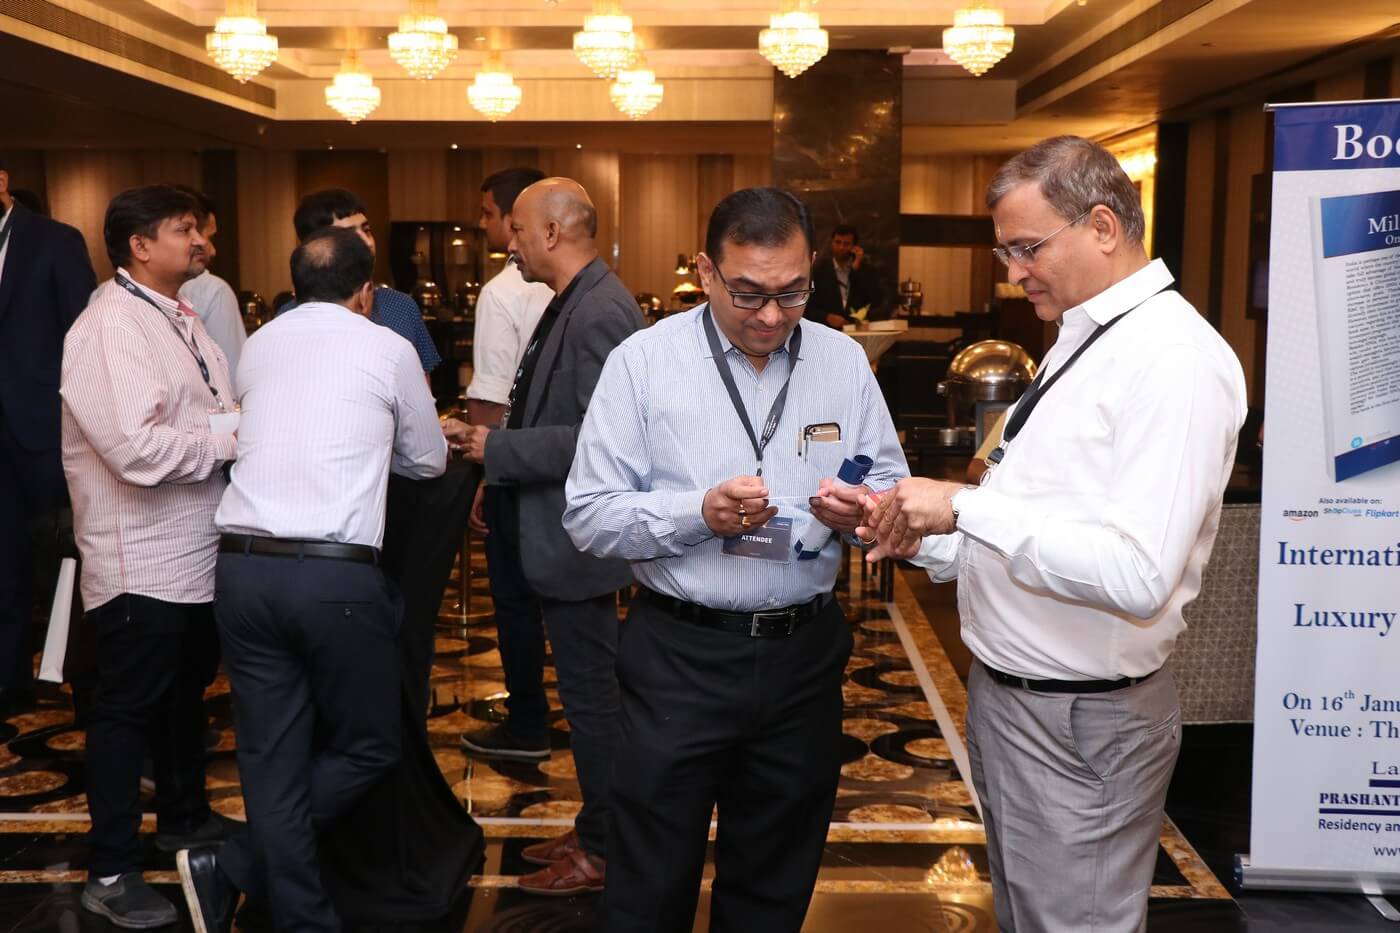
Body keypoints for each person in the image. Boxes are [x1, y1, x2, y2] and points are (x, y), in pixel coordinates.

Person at [858, 135, 1247, 933]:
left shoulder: (1171, 360)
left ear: (1102, 226)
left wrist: (963, 507)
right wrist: (920, 533)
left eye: (1027, 248)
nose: (1013, 272)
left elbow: (1137, 573)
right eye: (1006, 251)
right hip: (1018, 702)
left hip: (1081, 724)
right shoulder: (1087, 334)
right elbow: (1036, 521)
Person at [563, 186, 907, 932]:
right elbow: (588, 514)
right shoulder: (643, 363)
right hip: (678, 658)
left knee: (773, 885)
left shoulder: (844, 362)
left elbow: (889, 486)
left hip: (803, 658)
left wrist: (864, 514)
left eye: (793, 293)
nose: (773, 316)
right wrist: (696, 514)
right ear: (705, 271)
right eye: (749, 293)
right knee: (650, 884)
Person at [178, 227, 452, 933]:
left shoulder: (261, 343)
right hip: (334, 579)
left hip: (241, 569)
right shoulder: (386, 347)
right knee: (369, 745)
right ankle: (236, 863)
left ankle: (297, 916)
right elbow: (428, 461)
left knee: (271, 756)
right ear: (367, 291)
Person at [449, 177, 642, 896]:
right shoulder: (575, 298)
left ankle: (607, 851)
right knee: (587, 699)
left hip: (579, 544)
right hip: (557, 535)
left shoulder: (600, 310)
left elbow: (604, 438)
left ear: (554, 233)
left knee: (593, 704)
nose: (510, 241)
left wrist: (493, 448)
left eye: (520, 230)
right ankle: (596, 829)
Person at [61, 185, 233, 928]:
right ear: (139, 245)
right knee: (125, 714)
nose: (200, 241)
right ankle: (109, 869)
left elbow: (212, 411)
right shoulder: (110, 324)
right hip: (141, 559)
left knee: (183, 697)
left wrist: (228, 430)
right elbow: (136, 449)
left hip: (194, 551)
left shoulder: (177, 313)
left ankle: (185, 819)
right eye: (184, 229)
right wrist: (231, 441)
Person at [289, 187, 458, 718]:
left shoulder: (398, 307)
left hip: (400, 485)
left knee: (402, 610)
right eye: (350, 231)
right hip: (324, 493)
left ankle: (404, 712)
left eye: (367, 228)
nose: (367, 239)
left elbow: (421, 402)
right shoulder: (291, 316)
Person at [459, 166, 555, 762]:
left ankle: (527, 721)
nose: (485, 225)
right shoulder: (572, 288)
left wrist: (485, 473)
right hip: (561, 465)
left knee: (515, 600)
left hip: (514, 463)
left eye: (490, 215)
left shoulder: (502, 292)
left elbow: (492, 398)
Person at [0, 163, 95, 713]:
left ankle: (79, 675)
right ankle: (8, 680)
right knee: (3, 562)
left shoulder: (54, 241)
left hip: (44, 428)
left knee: (67, 560)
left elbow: (83, 337)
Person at [175, 186, 247, 386]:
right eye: (210, 237)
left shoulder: (101, 294)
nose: (212, 250)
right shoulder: (213, 291)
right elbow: (232, 377)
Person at [806, 223, 882, 327]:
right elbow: (808, 307)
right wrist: (827, 317)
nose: (841, 247)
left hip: (858, 329)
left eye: (846, 244)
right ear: (832, 242)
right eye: (837, 242)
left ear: (854, 247)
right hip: (828, 329)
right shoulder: (819, 270)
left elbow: (874, 300)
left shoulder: (865, 270)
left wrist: (856, 269)